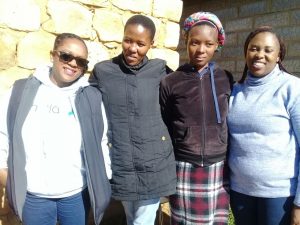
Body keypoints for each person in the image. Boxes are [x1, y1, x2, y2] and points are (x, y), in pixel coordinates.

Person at [0, 33, 111, 225]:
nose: (73, 64)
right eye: (66, 56)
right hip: (34, 196)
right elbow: (3, 133)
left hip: (76, 196)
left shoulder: (90, 97)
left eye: (81, 61)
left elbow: (100, 139)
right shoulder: (20, 91)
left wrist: (104, 176)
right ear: (53, 54)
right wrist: (4, 171)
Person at [89, 14, 177, 225]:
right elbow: (87, 106)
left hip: (154, 163)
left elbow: (179, 101)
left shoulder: (160, 70)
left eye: (141, 44)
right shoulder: (103, 71)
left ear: (151, 44)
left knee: (141, 221)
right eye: (128, 40)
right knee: (131, 217)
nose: (133, 48)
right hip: (122, 162)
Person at [160, 12, 233, 224]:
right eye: (194, 42)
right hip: (184, 164)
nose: (201, 50)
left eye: (208, 44)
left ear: (217, 45)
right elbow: (165, 122)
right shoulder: (171, 81)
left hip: (218, 165)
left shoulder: (225, 78)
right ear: (186, 42)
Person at [227, 26, 300, 225]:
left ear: (279, 56)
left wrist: (299, 204)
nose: (260, 55)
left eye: (268, 50)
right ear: (246, 52)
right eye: (254, 48)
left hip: (279, 196)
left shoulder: (291, 88)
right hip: (240, 192)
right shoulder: (235, 90)